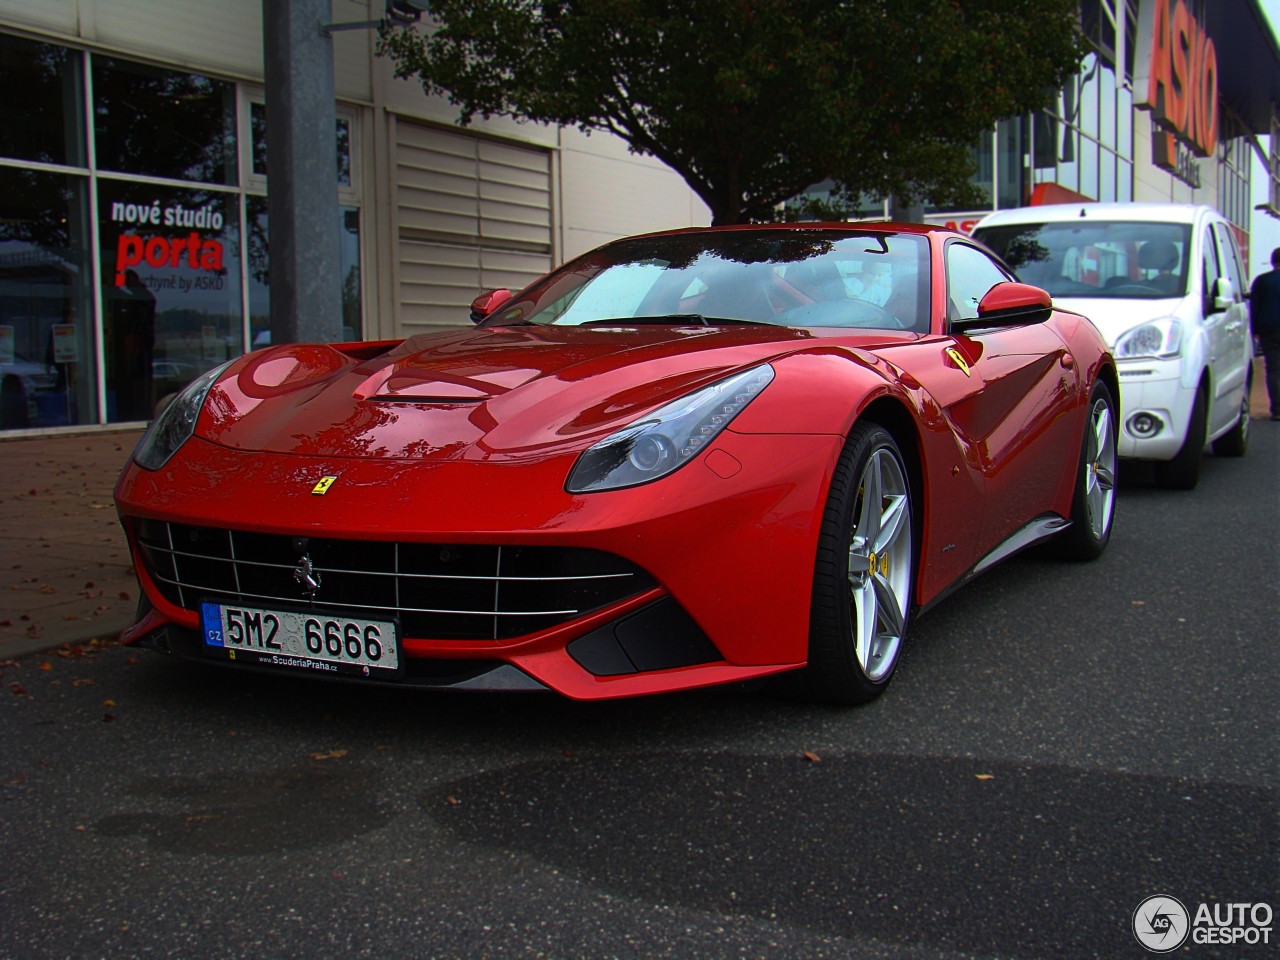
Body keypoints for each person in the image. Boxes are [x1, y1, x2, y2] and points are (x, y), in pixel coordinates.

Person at [1248, 247, 1280, 420]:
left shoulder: (1261, 281)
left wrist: (1254, 331)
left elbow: (1254, 307)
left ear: (1272, 261)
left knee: (1273, 369)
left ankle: (1277, 409)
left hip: (1268, 330)